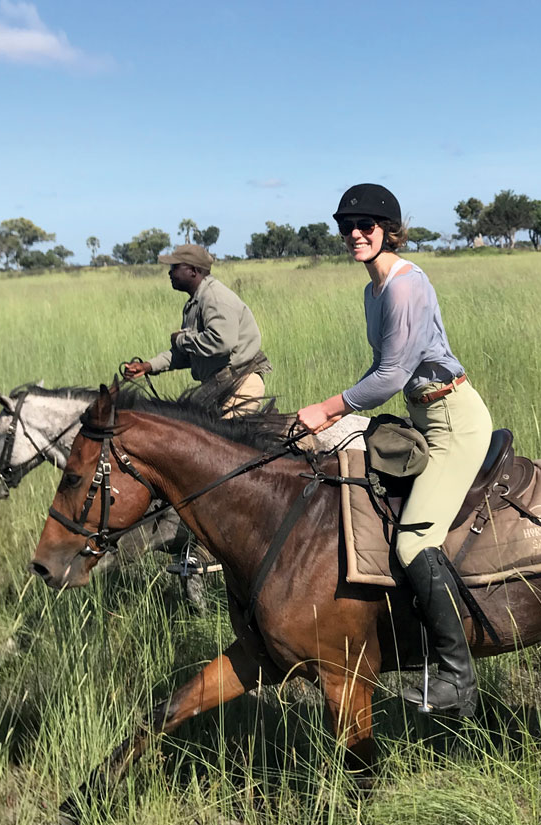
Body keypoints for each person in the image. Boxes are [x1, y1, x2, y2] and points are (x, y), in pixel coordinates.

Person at [298, 184, 493, 718]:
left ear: (389, 229)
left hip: (453, 420)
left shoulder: (406, 286)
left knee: (412, 543)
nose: (355, 234)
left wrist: (329, 408)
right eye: (346, 226)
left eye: (366, 225)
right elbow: (383, 371)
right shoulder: (373, 290)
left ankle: (458, 679)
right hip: (421, 415)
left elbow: (392, 373)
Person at [122, 243, 270, 415]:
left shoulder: (215, 299)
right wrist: (148, 366)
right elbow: (186, 353)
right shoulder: (195, 303)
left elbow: (221, 342)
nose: (170, 272)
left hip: (240, 384)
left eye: (175, 267)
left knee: (218, 440)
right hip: (218, 386)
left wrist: (182, 340)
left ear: (193, 270)